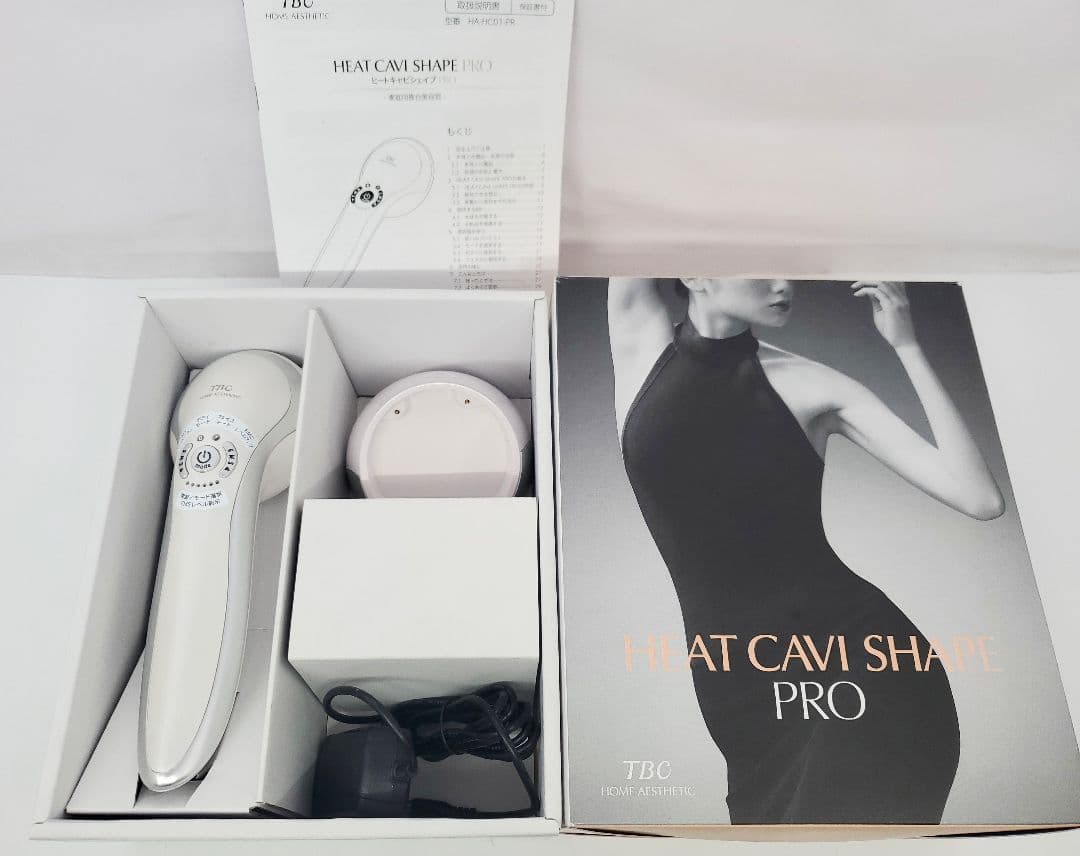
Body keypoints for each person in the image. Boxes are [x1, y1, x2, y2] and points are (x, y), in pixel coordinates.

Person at [609, 278, 1004, 824]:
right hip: (741, 696)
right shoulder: (639, 340)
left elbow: (980, 499)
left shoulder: (814, 385)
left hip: (867, 674)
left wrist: (907, 346)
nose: (783, 282)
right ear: (696, 271)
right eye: (762, 262)